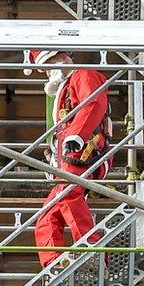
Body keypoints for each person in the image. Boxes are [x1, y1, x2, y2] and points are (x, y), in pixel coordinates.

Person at [28, 49, 111, 268]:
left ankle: (91, 250)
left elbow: (94, 104)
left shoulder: (83, 75)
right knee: (47, 217)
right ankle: (55, 266)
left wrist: (78, 134)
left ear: (61, 59)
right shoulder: (67, 86)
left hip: (85, 151)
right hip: (68, 157)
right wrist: (55, 161)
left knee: (69, 194)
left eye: (47, 67)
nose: (46, 73)